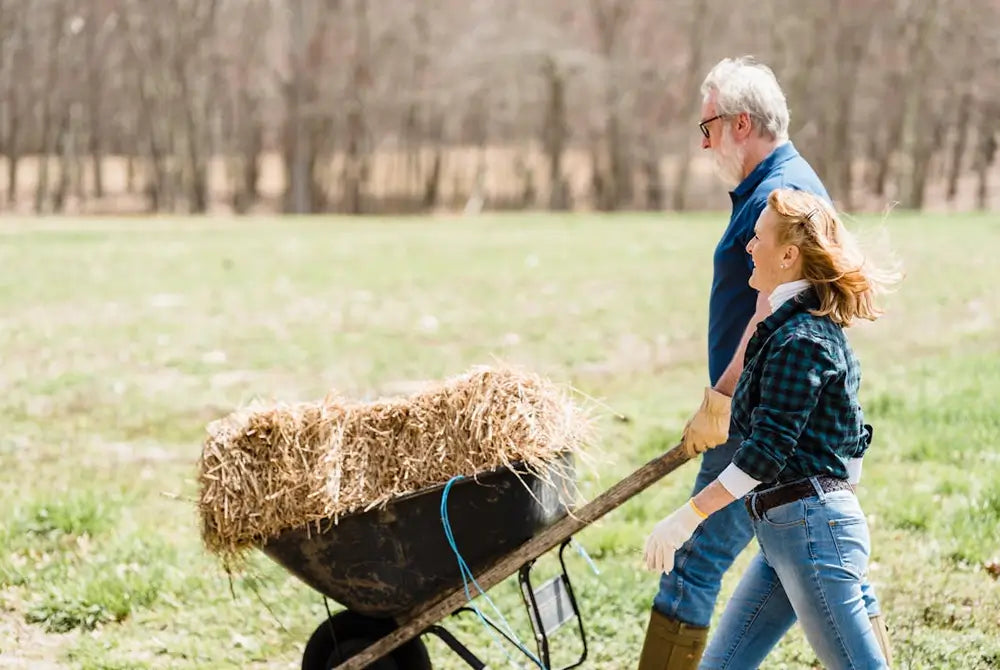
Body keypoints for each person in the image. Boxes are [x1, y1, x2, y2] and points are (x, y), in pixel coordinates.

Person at [636, 56, 892, 669]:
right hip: (788, 503)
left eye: (708, 127)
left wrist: (722, 399)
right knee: (829, 583)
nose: (703, 143)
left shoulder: (785, 198)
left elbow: (764, 317)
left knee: (695, 559)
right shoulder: (763, 191)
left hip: (763, 435)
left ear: (741, 122)